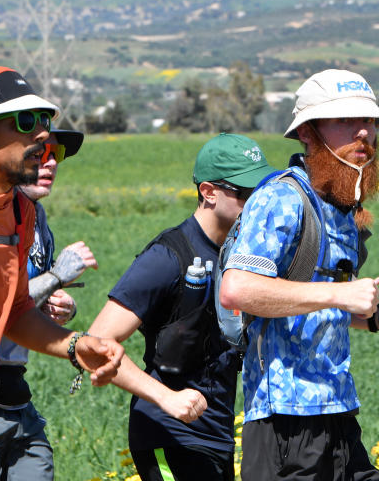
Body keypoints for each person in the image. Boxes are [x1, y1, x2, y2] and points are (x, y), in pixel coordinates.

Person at [219, 69, 379, 481]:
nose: (364, 132)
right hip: (285, 420)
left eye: (370, 122)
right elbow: (238, 289)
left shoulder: (342, 206)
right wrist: (338, 297)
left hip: (338, 409)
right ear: (309, 132)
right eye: (346, 120)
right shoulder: (281, 198)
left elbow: (317, 302)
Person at [0, 66, 124, 481]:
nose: (42, 135)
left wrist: (75, 345)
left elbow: (17, 309)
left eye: (44, 121)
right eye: (25, 122)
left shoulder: (18, 214)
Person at [89, 133, 274, 481]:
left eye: (261, 191)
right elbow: (96, 344)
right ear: (208, 192)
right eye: (245, 193)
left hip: (217, 438)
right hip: (169, 436)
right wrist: (166, 398)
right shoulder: (168, 256)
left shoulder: (243, 258)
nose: (257, 202)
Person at [0, 129, 97, 481]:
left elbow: (25, 299)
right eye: (40, 153)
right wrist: (54, 276)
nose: (49, 163)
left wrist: (55, 305)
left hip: (15, 388)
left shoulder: (38, 219)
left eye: (56, 154)